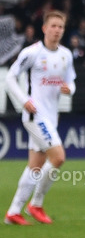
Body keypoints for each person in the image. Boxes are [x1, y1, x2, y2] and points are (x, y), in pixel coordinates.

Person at [5, 11, 76, 226]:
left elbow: (72, 82)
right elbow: (10, 77)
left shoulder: (65, 55)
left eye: (60, 27)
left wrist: (69, 90)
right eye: (53, 26)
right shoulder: (32, 53)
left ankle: (13, 212)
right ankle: (35, 204)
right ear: (44, 28)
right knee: (58, 157)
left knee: (35, 166)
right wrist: (23, 100)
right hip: (35, 115)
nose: (57, 30)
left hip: (51, 116)